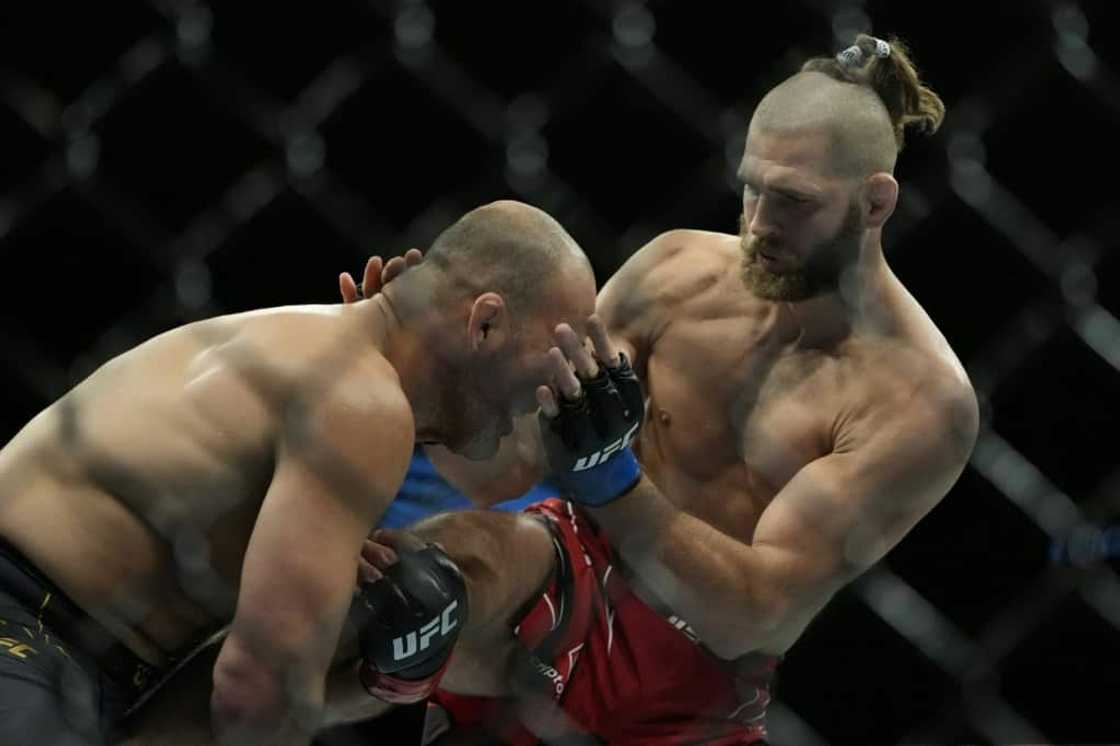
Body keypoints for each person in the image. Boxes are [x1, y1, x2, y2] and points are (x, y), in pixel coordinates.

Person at [343, 33, 979, 745]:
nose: (759, 225)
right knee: (421, 577)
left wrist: (612, 479)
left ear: (874, 203)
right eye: (751, 187)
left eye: (793, 201)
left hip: (696, 674)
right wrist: (419, 375)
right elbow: (519, 454)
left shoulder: (921, 400)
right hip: (571, 564)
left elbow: (757, 612)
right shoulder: (675, 272)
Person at [0, 200, 597, 745]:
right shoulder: (361, 401)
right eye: (557, 348)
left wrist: (366, 687)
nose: (557, 387)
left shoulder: (336, 365)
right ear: (485, 323)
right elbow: (253, 693)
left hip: (74, 657)